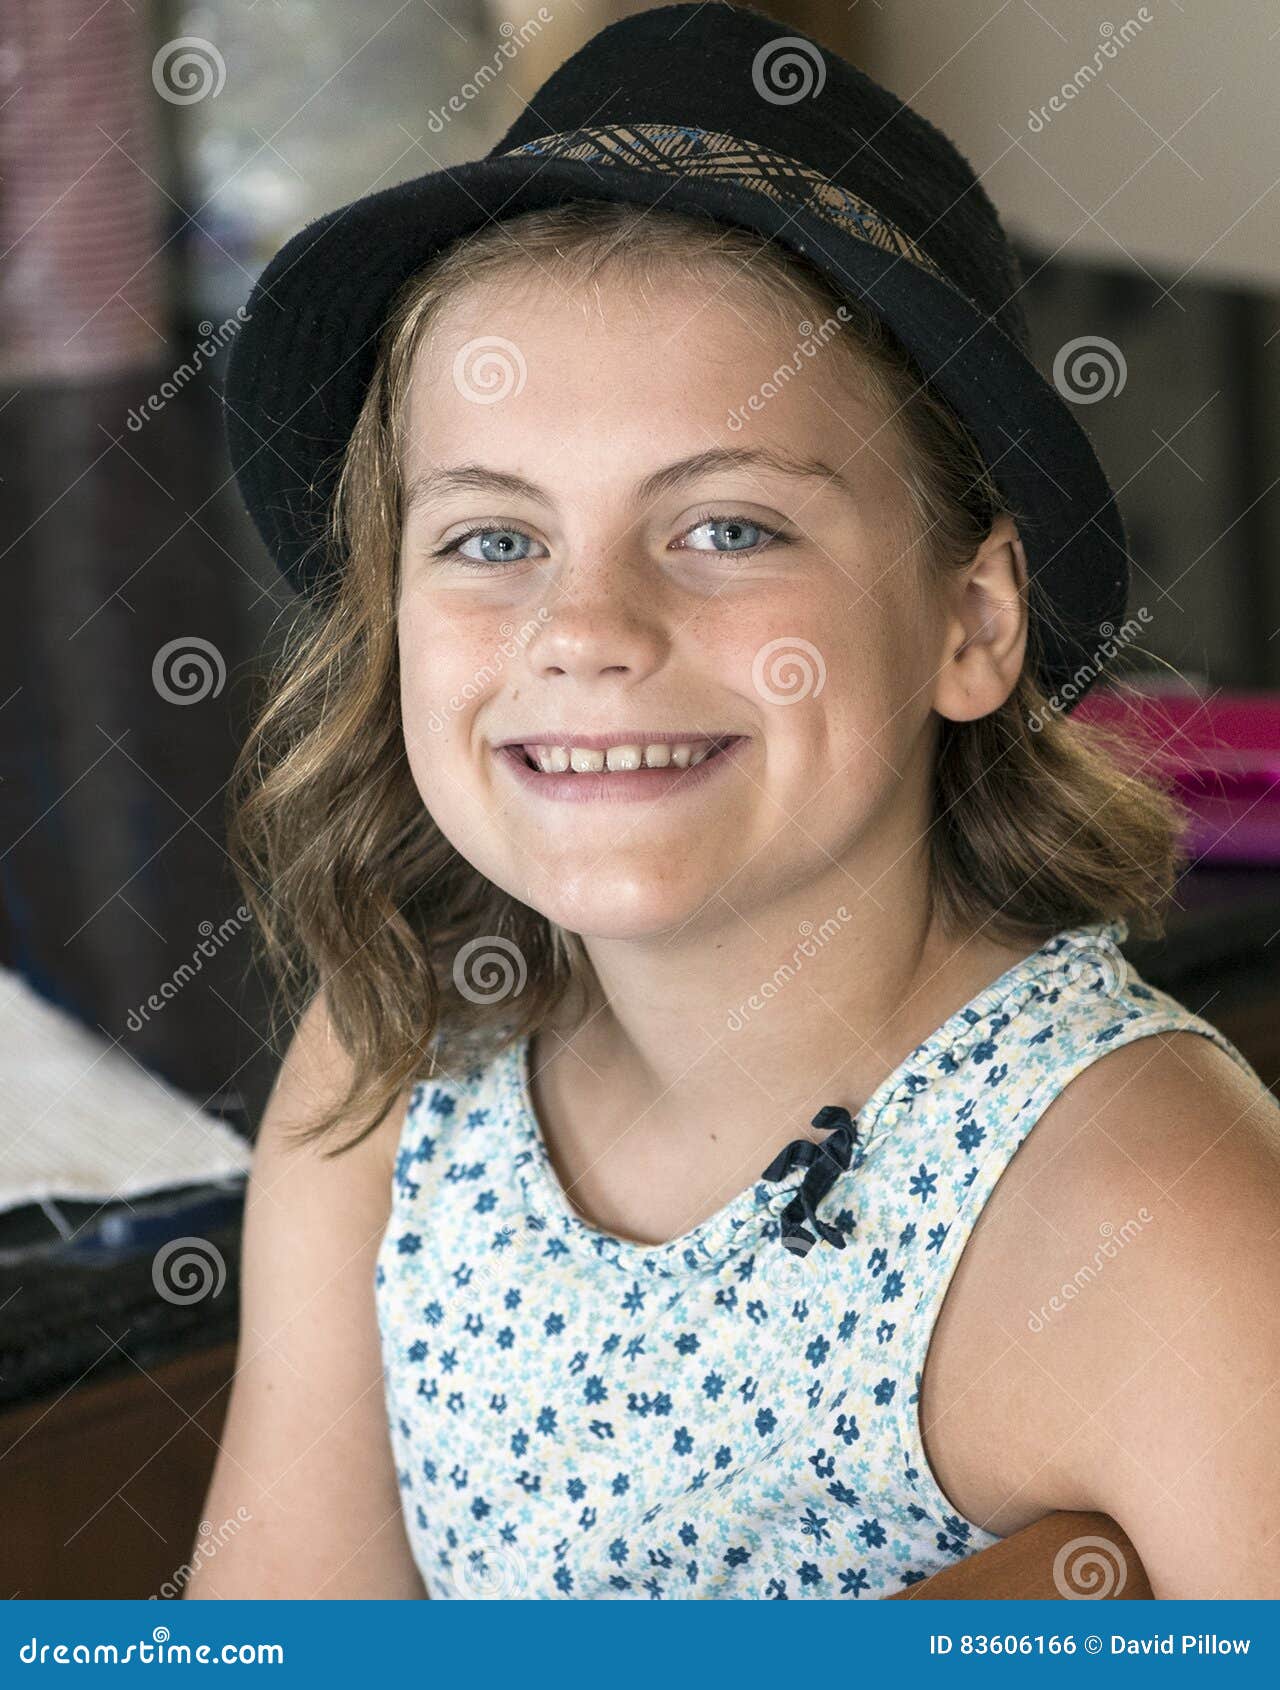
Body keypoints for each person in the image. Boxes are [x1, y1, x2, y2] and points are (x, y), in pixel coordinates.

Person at [187, 3, 1280, 1600]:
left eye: (728, 528)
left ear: (971, 623)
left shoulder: (1149, 1212)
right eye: (494, 538)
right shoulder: (392, 1060)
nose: (589, 632)